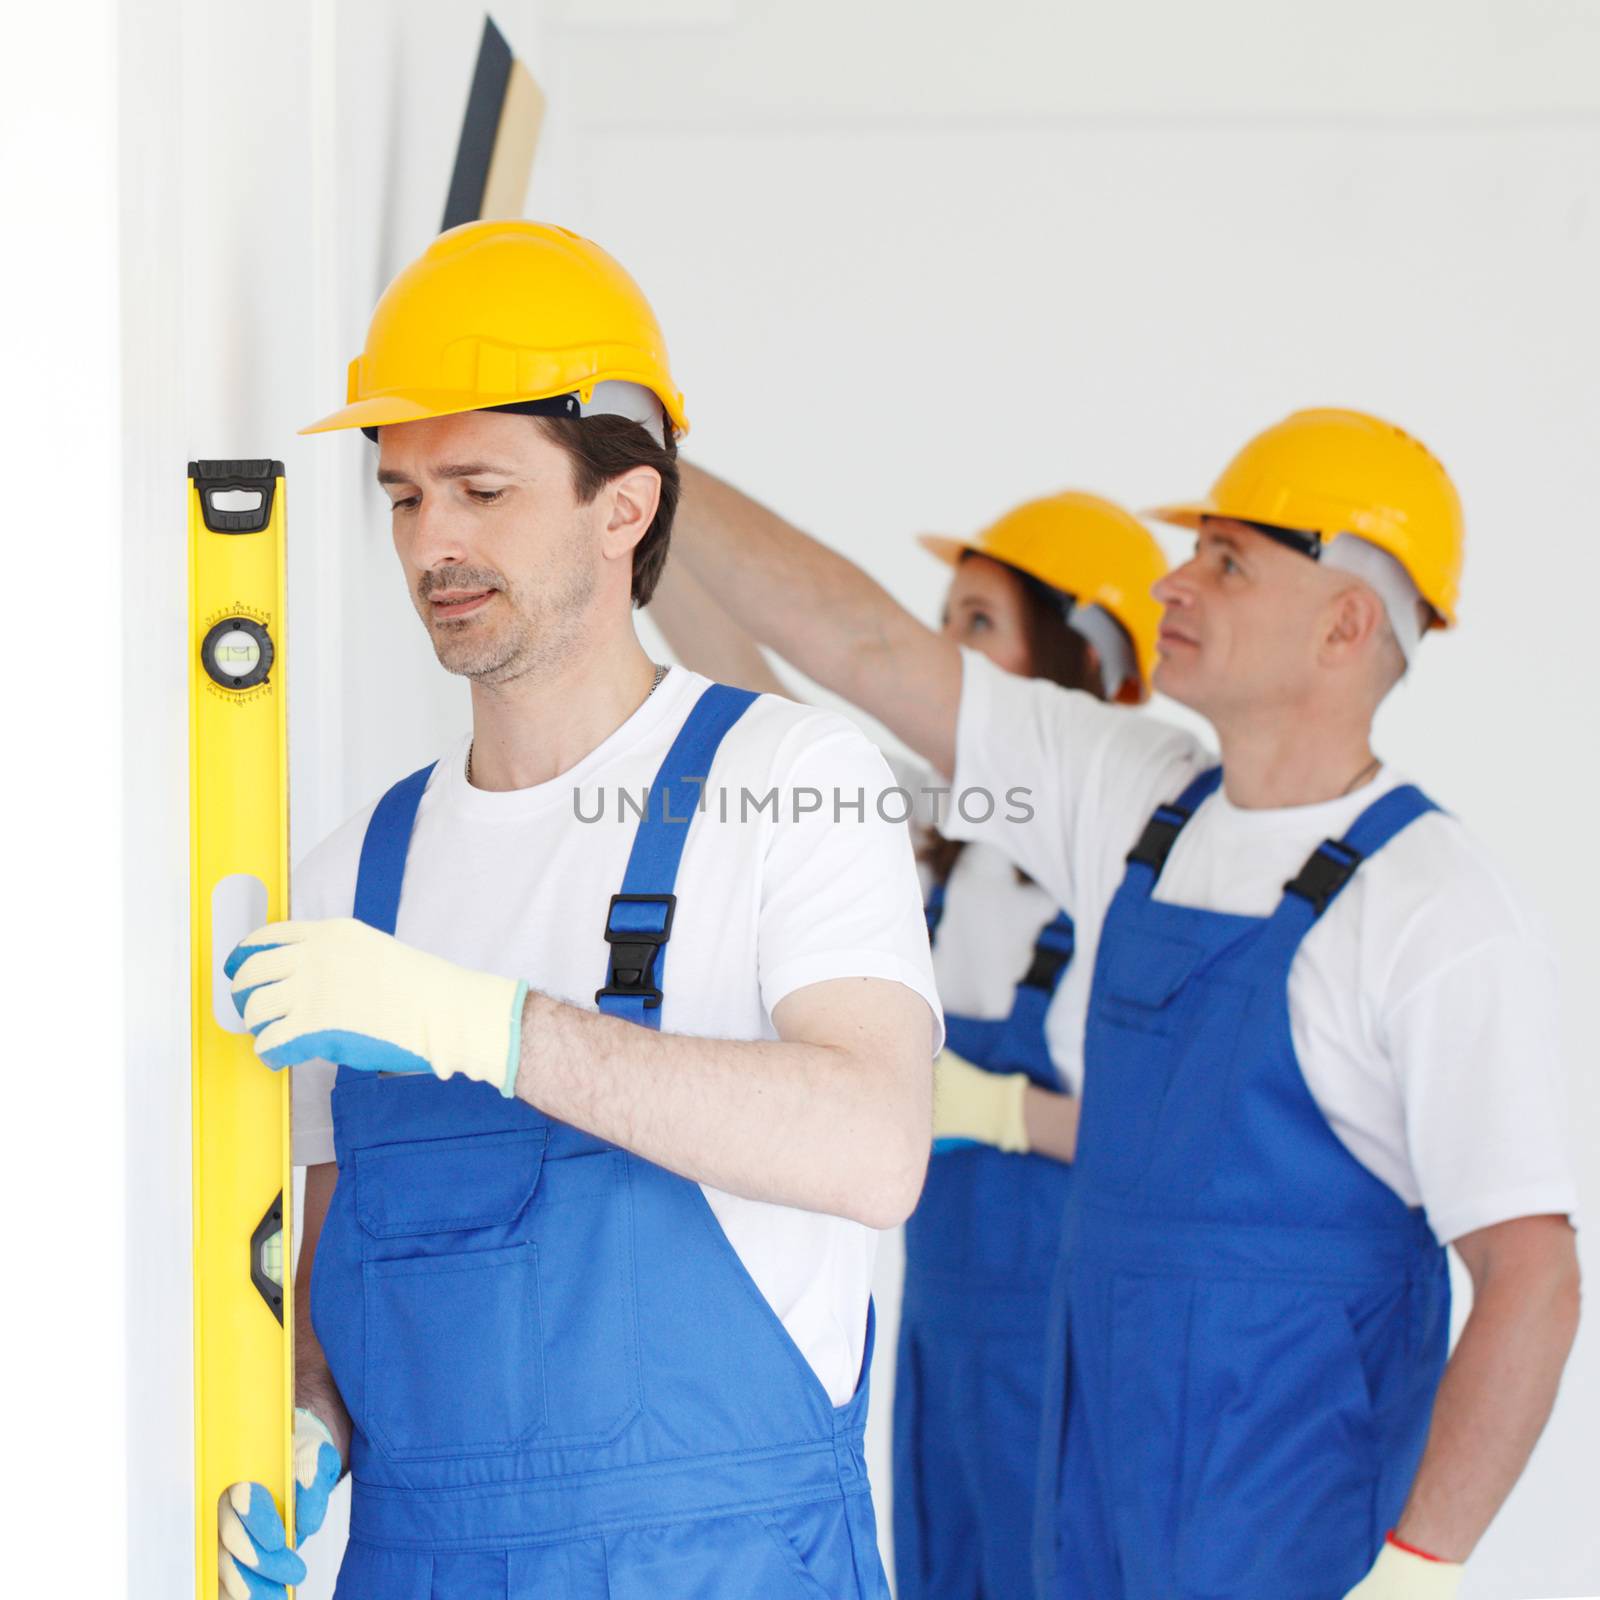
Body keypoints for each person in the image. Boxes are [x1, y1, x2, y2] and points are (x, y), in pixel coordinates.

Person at [665, 408, 1581, 1599]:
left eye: (1227, 560)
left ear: (1346, 621)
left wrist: (1419, 1569)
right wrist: (634, 462)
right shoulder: (1131, 804)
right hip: (1083, 1500)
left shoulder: (1435, 912)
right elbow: (867, 648)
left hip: (1295, 1543)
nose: (1172, 582)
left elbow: (1533, 1276)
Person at [214, 219, 942, 1600]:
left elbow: (876, 1147)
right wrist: (305, 1423)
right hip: (423, 1565)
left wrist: (478, 1024)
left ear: (628, 505)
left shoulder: (791, 779)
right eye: (405, 496)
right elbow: (330, 1273)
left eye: (482, 489)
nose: (436, 544)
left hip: (723, 1562)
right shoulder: (351, 876)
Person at [651, 490, 1165, 1600]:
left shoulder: (1137, 871)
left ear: (1079, 658)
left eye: (977, 622)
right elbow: (755, 696)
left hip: (1061, 1332)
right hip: (939, 1317)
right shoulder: (938, 827)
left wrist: (986, 1110)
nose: (945, 652)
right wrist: (642, 509)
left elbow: (1165, 1132)